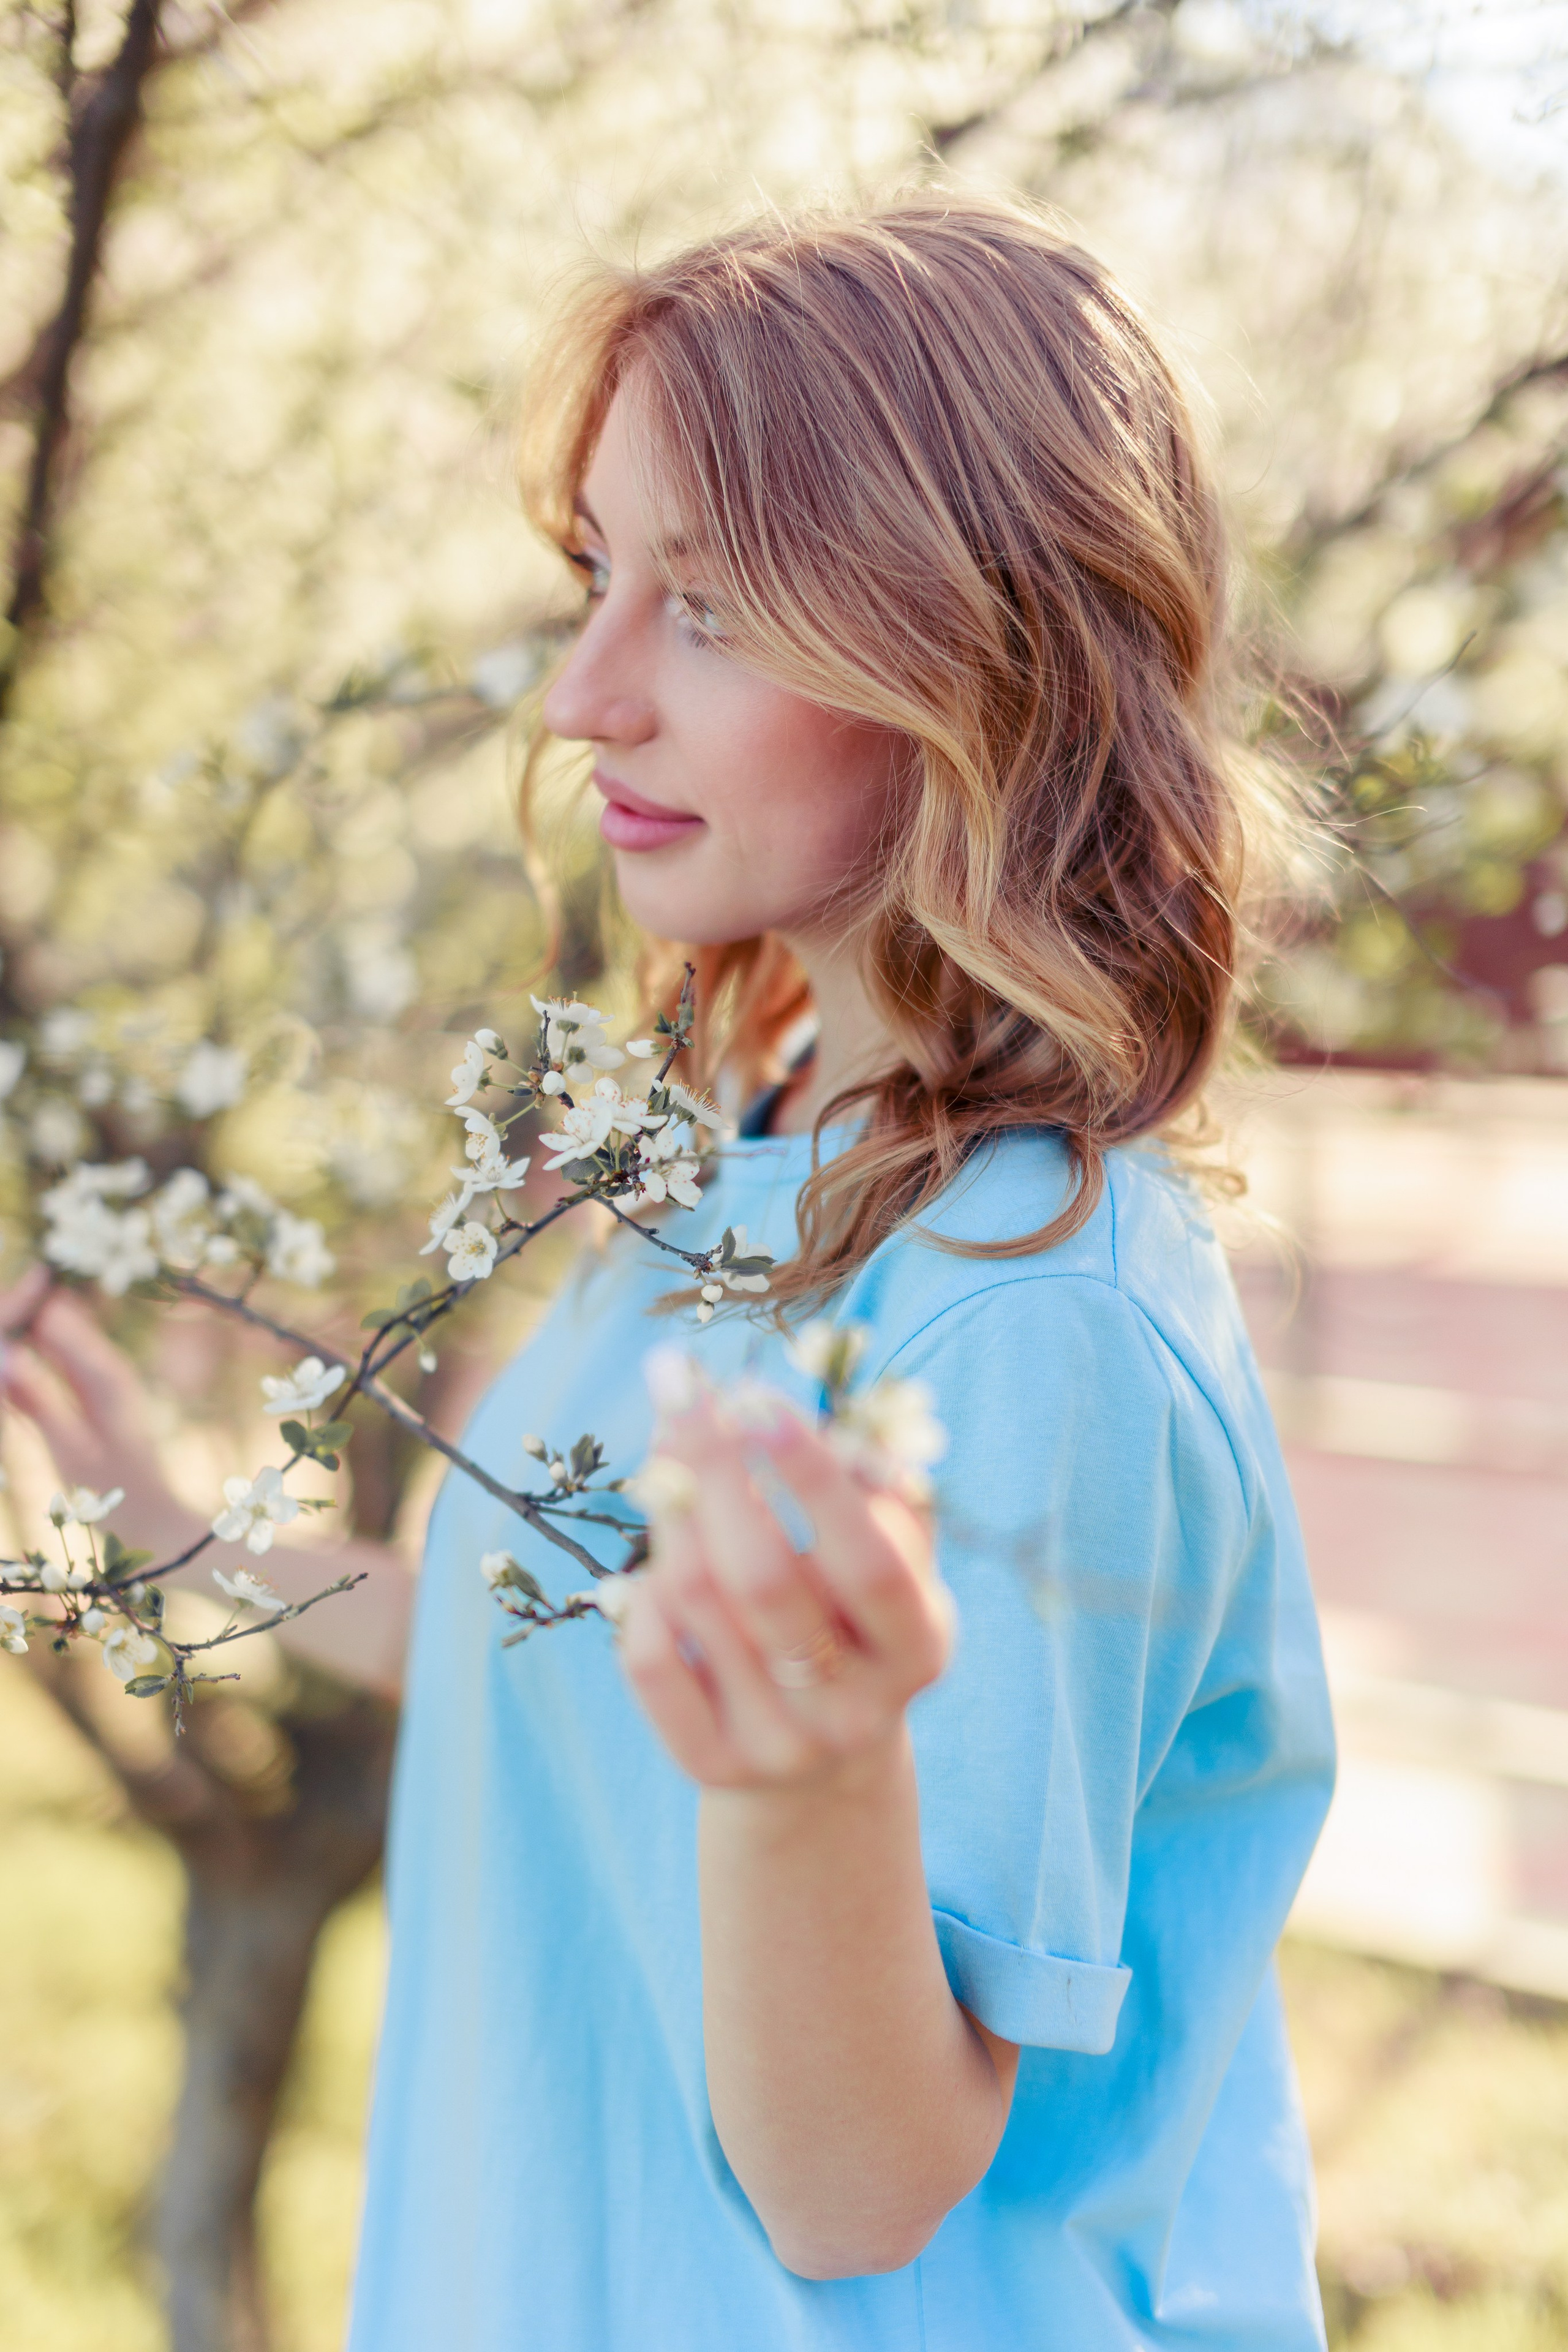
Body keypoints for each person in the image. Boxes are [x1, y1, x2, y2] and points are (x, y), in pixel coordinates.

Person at [1, 195, 1335, 2349]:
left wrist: (816, 1779)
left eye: (706, 604)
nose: (582, 695)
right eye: (593, 577)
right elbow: (567, 1652)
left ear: (972, 651)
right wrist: (186, 1531)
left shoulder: (1031, 1320)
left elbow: (859, 2189)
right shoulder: (750, 1135)